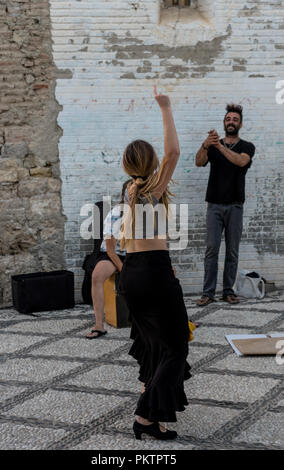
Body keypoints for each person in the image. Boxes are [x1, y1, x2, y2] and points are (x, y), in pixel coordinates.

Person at [118, 86, 191, 441]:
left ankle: (155, 414)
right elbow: (175, 151)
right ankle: (145, 417)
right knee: (177, 347)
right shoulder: (149, 190)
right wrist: (166, 106)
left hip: (133, 275)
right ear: (150, 165)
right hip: (153, 274)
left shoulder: (128, 190)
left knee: (154, 346)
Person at [195, 104, 256, 306]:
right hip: (214, 206)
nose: (231, 122)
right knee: (211, 250)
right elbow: (198, 162)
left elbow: (240, 162)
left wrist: (219, 147)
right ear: (224, 122)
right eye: (228, 119)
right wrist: (205, 145)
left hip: (235, 206)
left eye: (235, 119)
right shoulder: (212, 146)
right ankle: (208, 293)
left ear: (240, 123)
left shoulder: (247, 147)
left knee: (232, 251)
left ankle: (228, 291)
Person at [85, 180, 131, 339]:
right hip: (114, 254)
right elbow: (111, 250)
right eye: (129, 192)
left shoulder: (146, 213)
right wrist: (124, 271)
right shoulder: (116, 214)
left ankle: (179, 319)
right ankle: (99, 325)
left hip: (136, 253)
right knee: (97, 276)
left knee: (165, 273)